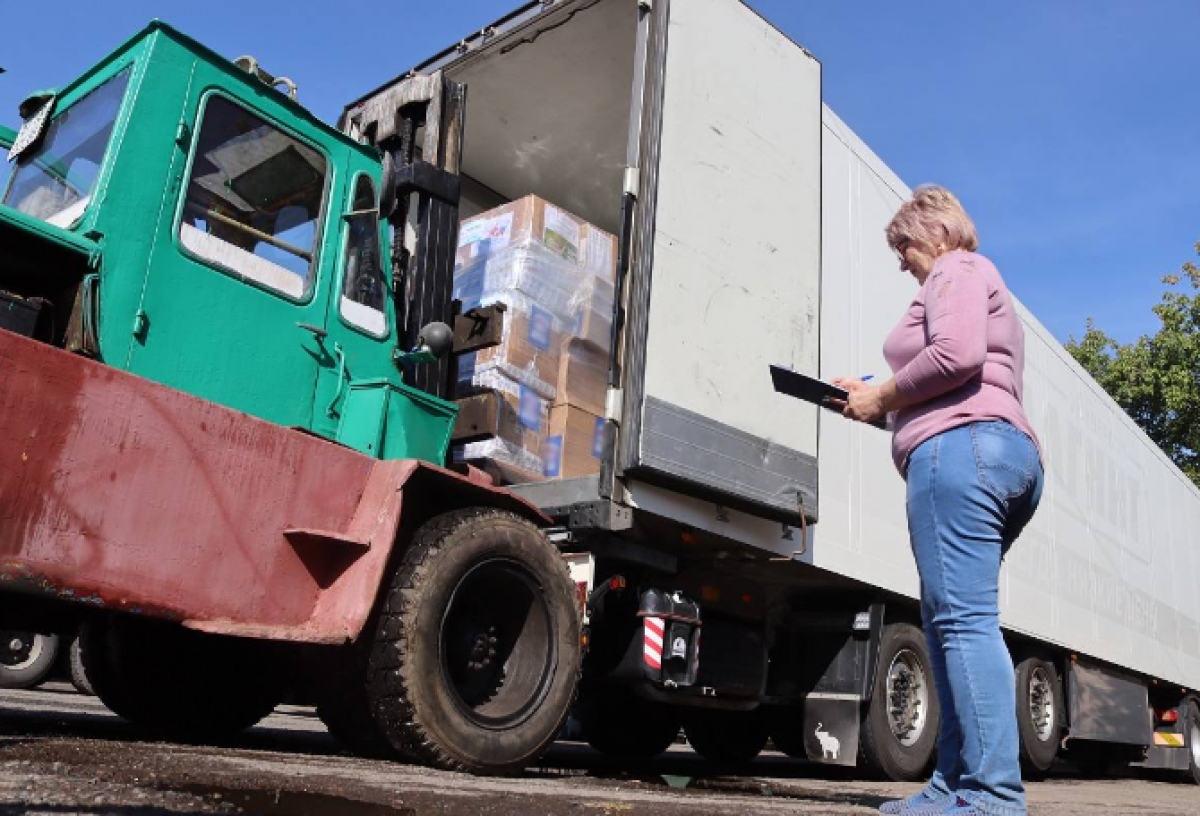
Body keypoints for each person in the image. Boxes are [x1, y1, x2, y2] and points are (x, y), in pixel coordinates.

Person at [833, 185, 1044, 816]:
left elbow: (955, 355)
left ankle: (990, 797)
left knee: (962, 623)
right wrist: (870, 398)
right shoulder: (972, 278)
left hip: (961, 452)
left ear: (938, 232)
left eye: (904, 246)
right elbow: (954, 369)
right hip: (994, 452)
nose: (901, 262)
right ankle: (952, 786)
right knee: (950, 623)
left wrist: (884, 396)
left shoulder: (957, 268)